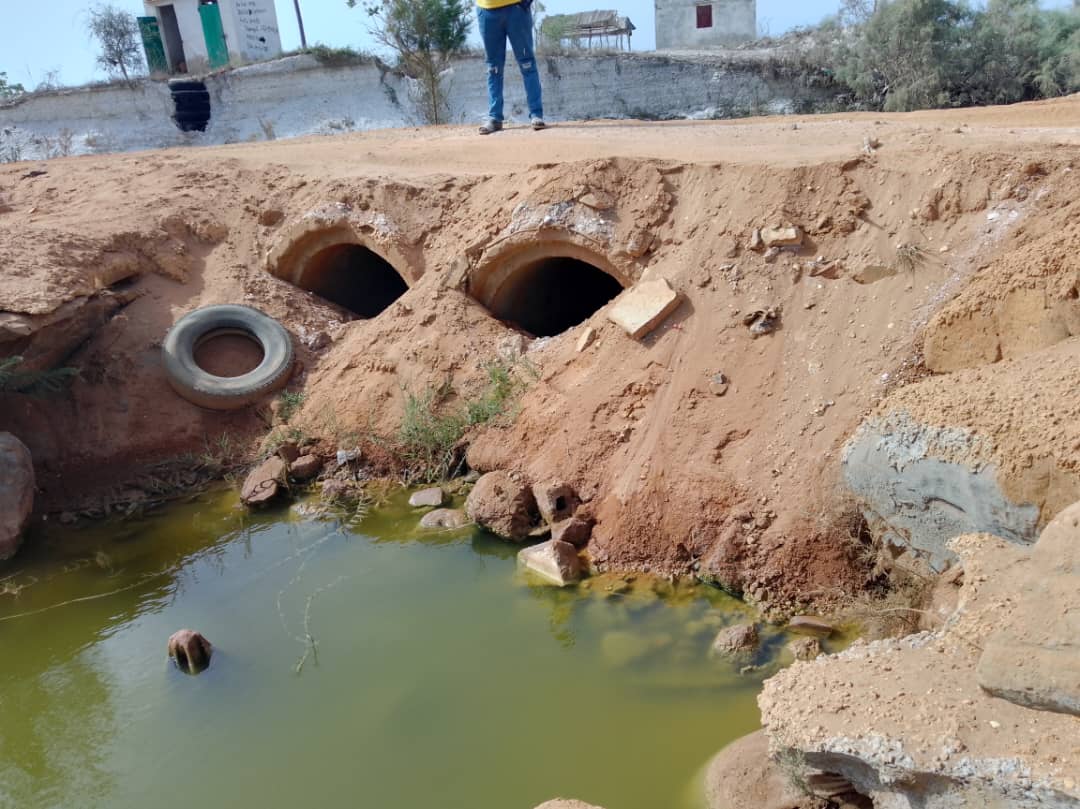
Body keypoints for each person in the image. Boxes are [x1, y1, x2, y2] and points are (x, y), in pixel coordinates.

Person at [476, 0, 544, 134]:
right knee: (493, 68)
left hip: (516, 8)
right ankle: (494, 118)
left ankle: (536, 114)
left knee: (527, 64)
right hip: (486, 10)